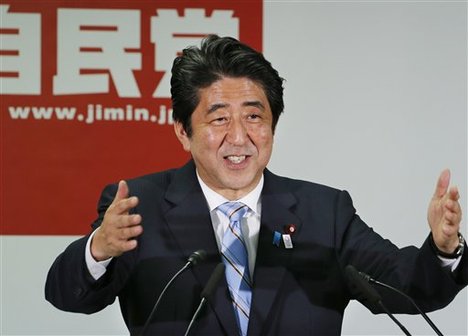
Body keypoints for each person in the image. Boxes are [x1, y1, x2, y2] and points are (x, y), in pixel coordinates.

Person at [45, 35, 467, 336]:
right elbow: (67, 295)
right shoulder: (140, 207)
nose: (239, 137)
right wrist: (99, 247)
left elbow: (409, 287)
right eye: (218, 118)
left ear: (272, 126)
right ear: (182, 132)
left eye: (253, 116)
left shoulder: (324, 211)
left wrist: (443, 249)